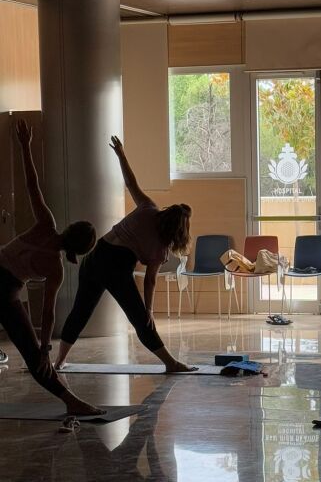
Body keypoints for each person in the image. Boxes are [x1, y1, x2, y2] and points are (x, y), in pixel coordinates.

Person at [55, 136, 195, 372]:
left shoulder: (148, 207)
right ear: (179, 231)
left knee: (80, 311)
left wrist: (121, 154)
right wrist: (149, 310)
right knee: (140, 318)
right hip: (116, 266)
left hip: (96, 256)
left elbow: (130, 183)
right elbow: (150, 281)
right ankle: (171, 363)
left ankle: (59, 362)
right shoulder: (161, 247)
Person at [0, 119, 99, 415]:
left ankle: (72, 402)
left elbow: (32, 185)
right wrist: (44, 349)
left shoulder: (46, 224)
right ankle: (71, 402)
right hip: (6, 292)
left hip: (4, 284)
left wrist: (25, 146)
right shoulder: (56, 268)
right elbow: (47, 312)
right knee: (32, 356)